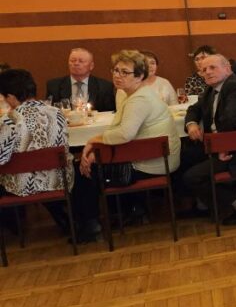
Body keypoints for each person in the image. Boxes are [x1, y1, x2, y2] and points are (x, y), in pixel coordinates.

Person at [79, 50, 181, 224]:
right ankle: (125, 213)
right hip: (152, 157)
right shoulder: (134, 94)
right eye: (116, 70)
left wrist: (94, 140)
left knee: (82, 173)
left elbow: (125, 134)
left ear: (140, 76)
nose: (118, 76)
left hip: (153, 164)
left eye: (125, 72)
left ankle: (89, 225)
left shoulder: (139, 99)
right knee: (89, 164)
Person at [180, 55, 236, 225]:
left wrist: (220, 148)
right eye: (204, 70)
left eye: (213, 67)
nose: (208, 72)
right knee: (183, 157)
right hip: (222, 144)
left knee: (192, 177)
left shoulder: (235, 87)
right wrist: (191, 124)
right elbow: (193, 109)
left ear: (227, 69)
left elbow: (230, 122)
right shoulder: (212, 89)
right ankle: (205, 204)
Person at [0, 69, 79, 238]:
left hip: (24, 186)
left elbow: (1, 158)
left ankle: (14, 230)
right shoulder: (56, 112)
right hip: (60, 179)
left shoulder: (9, 120)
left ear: (11, 97)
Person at [46, 48, 117, 112]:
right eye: (73, 61)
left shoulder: (105, 87)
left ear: (91, 66)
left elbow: (109, 113)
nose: (76, 63)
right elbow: (50, 113)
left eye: (81, 61)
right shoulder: (54, 86)